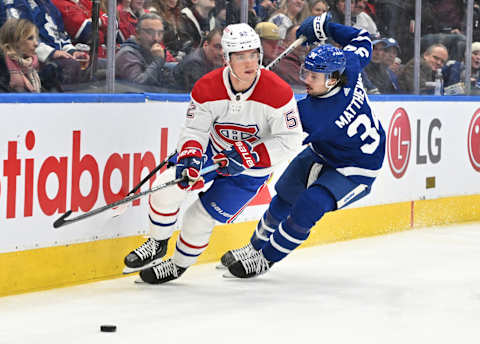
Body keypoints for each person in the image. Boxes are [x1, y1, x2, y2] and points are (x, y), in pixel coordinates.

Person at [123, 22, 303, 284]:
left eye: (253, 54)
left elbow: (290, 140)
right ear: (227, 58)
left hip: (250, 170)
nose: (249, 62)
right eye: (241, 56)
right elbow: (194, 130)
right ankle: (157, 243)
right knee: (166, 186)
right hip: (214, 151)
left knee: (198, 218)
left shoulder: (278, 92)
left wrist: (249, 155)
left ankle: (178, 265)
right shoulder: (207, 87)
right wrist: (190, 158)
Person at [219, 13, 386, 279]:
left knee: (309, 204)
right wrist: (326, 27)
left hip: (358, 168)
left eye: (314, 76)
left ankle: (264, 259)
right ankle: (253, 248)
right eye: (305, 71)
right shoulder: (349, 65)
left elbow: (270, 133)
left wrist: (240, 123)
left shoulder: (314, 114)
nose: (306, 79)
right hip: (326, 151)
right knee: (284, 196)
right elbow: (362, 37)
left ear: (332, 79)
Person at [0, 0, 90, 84]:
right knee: (71, 66)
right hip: (31, 63)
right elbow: (17, 38)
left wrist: (72, 51)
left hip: (53, 59)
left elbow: (60, 34)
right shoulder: (14, 3)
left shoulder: (47, 4)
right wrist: (51, 53)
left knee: (96, 64)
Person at [115, 13, 176, 88]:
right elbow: (139, 85)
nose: (156, 38)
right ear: (137, 33)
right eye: (150, 32)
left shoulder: (150, 51)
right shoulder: (127, 54)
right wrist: (158, 60)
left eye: (160, 33)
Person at [173, 27, 224, 91]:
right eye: (217, 47)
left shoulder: (214, 59)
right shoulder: (193, 63)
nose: (221, 53)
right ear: (205, 45)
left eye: (225, 48)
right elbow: (203, 93)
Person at [0, 18, 41, 92]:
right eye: (30, 38)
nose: (36, 43)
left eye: (36, 38)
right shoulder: (4, 71)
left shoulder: (34, 68)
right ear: (14, 42)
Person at [272, 24, 306, 90]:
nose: (303, 44)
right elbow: (305, 83)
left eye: (305, 40)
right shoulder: (282, 61)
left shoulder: (299, 59)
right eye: (298, 39)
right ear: (285, 42)